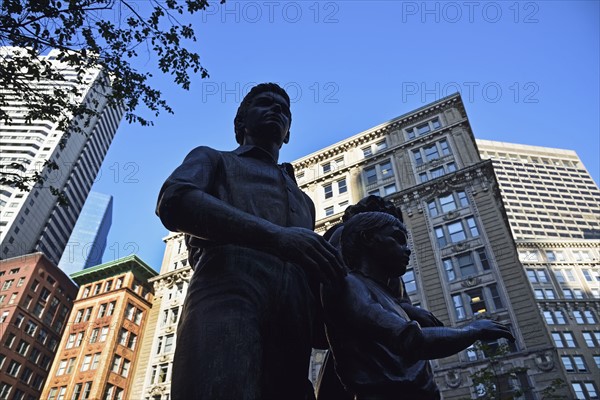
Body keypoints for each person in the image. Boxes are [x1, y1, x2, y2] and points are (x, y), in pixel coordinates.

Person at [156, 83, 345, 400]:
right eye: (264, 104)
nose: (276, 111)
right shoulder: (213, 159)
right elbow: (175, 201)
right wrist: (277, 237)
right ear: (239, 123)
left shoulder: (305, 202)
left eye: (284, 110)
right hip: (225, 309)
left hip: (292, 338)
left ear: (287, 134)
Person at [321, 212, 515, 400]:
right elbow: (412, 340)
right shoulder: (350, 285)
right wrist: (474, 330)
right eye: (397, 239)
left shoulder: (388, 297)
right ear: (367, 238)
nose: (407, 249)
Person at [316, 196, 443, 400]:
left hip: (385, 344)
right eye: (392, 232)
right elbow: (346, 287)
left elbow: (399, 302)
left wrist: (414, 313)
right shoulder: (346, 237)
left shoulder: (387, 266)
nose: (401, 246)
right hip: (360, 341)